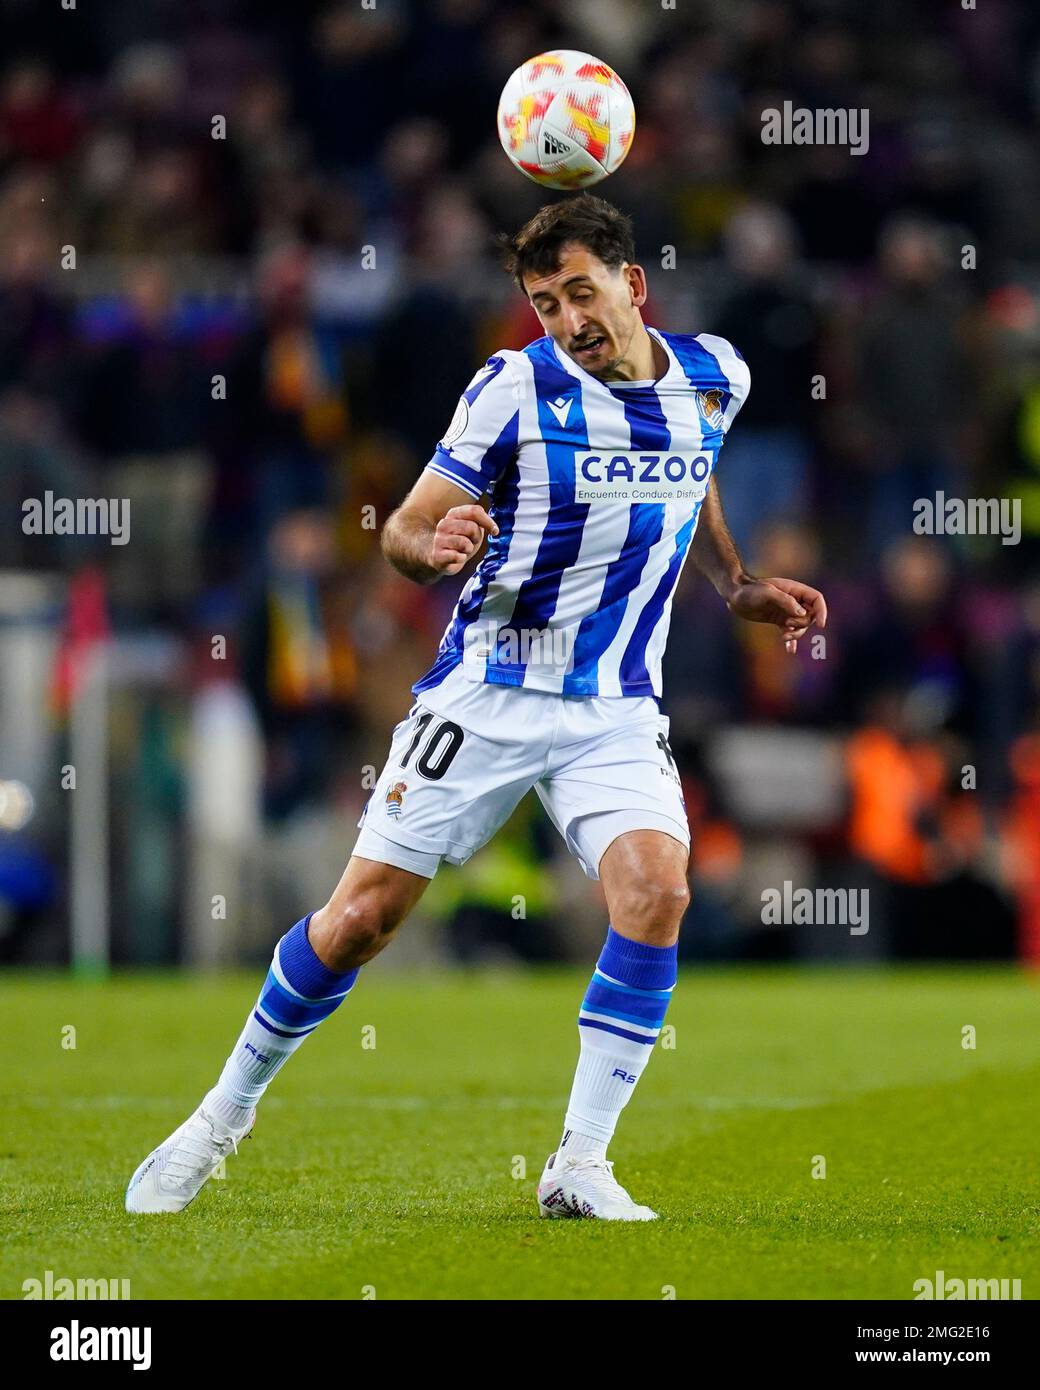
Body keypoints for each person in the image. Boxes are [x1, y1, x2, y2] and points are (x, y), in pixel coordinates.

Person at [126, 194, 827, 1221]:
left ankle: (579, 1162)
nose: (567, 320)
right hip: (489, 691)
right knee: (361, 919)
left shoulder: (717, 373)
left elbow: (695, 468)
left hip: (615, 705)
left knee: (655, 892)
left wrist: (732, 583)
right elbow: (404, 530)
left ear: (631, 287)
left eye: (580, 293)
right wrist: (431, 548)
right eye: (544, 302)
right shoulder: (511, 386)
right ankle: (216, 1121)